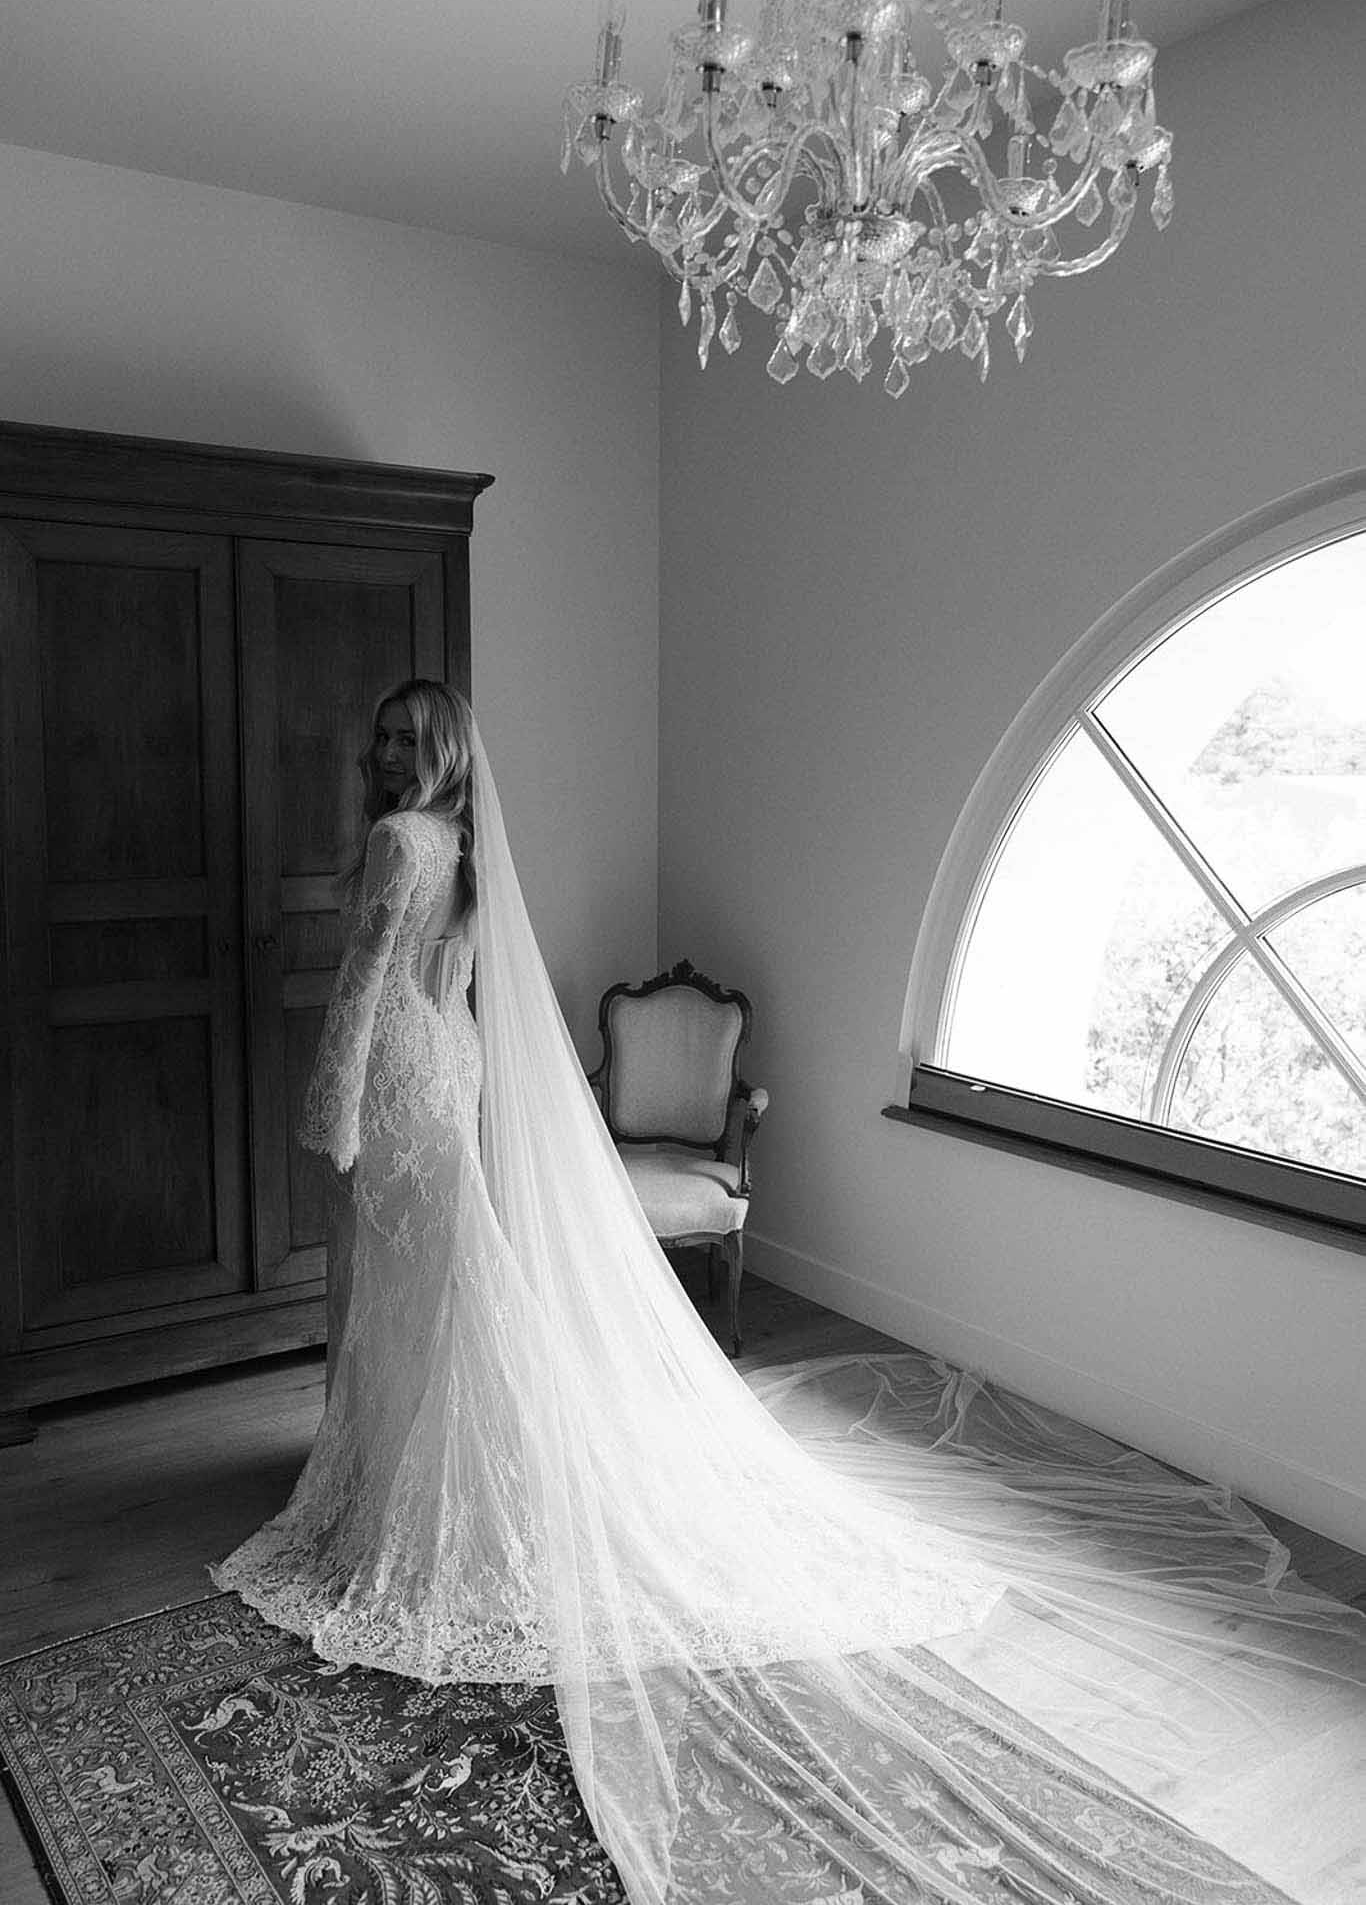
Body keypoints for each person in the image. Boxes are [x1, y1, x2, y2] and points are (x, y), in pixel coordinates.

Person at [214, 679, 1366, 1905]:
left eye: (409, 735)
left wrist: (326, 1106)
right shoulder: (458, 842)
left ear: (443, 749)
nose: (390, 751)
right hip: (443, 1069)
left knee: (417, 1286)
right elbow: (450, 987)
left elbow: (362, 990)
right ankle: (418, 1462)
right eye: (381, 734)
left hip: (399, 1078)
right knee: (433, 1288)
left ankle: (419, 1480)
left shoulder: (401, 839)